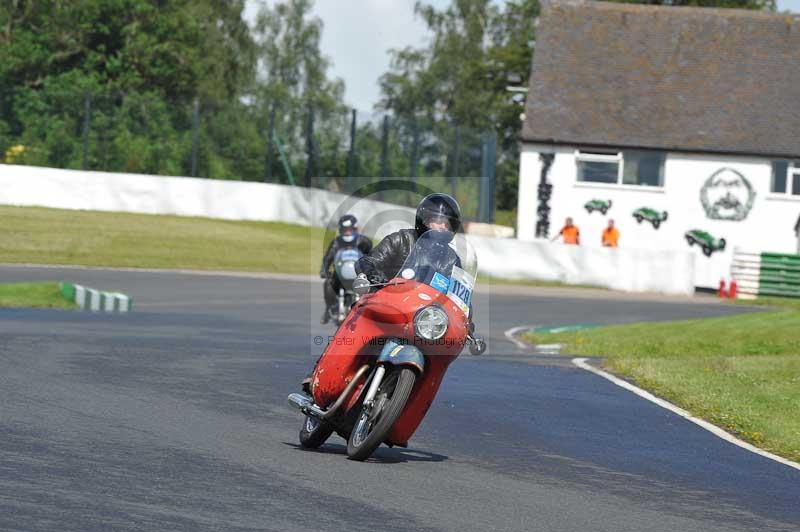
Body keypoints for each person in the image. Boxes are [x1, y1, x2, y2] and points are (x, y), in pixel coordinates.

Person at [302, 193, 466, 393]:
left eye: (446, 223)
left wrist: (465, 317)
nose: (440, 227)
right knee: (352, 324)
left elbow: (458, 295)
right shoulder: (402, 239)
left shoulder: (452, 259)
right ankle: (318, 373)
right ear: (423, 219)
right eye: (435, 220)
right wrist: (375, 276)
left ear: (453, 228)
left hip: (419, 319)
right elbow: (368, 260)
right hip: (384, 302)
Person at [319, 214, 373, 324]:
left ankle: (371, 313)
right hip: (339, 274)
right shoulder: (336, 242)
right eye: (344, 229)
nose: (347, 232)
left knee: (373, 286)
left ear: (355, 228)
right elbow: (328, 258)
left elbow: (373, 256)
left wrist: (372, 270)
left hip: (359, 274)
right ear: (340, 230)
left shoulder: (364, 242)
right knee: (328, 284)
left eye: (349, 229)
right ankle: (328, 309)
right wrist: (324, 270)